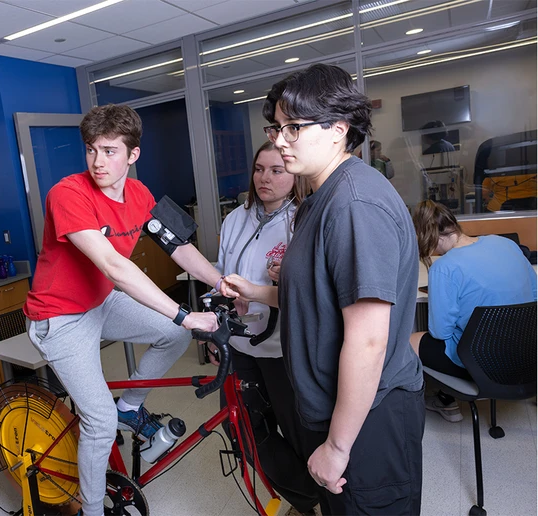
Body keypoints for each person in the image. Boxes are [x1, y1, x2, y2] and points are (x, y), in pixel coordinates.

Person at [219, 64, 425, 515]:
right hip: (335, 407)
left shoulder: (354, 204)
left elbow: (368, 340)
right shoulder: (320, 198)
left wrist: (337, 444)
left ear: (338, 128)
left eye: (294, 128)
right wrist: (255, 291)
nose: (279, 140)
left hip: (367, 418)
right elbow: (317, 297)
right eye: (277, 127)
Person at [22, 104, 219, 516]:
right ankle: (94, 511)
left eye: (110, 151)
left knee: (172, 334)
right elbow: (113, 264)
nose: (98, 161)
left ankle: (129, 407)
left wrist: (221, 283)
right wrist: (184, 312)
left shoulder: (141, 194)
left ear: (133, 155)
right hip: (59, 318)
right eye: (91, 150)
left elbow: (179, 246)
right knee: (97, 422)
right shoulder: (67, 194)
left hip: (100, 301)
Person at [209, 140, 319, 515]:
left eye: (276, 170)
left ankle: (322, 501)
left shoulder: (303, 219)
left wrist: (284, 276)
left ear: (294, 174)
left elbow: (314, 288)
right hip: (239, 344)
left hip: (284, 349)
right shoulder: (234, 218)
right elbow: (219, 275)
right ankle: (306, 499)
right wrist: (223, 303)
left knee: (300, 430)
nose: (265, 178)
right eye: (259, 169)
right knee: (244, 427)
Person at [409, 200, 537, 422]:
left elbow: (440, 333)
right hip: (527, 356)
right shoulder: (505, 244)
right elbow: (535, 294)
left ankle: (445, 402)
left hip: (482, 363)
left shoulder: (444, 268)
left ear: (427, 236)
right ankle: (445, 396)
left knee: (411, 341)